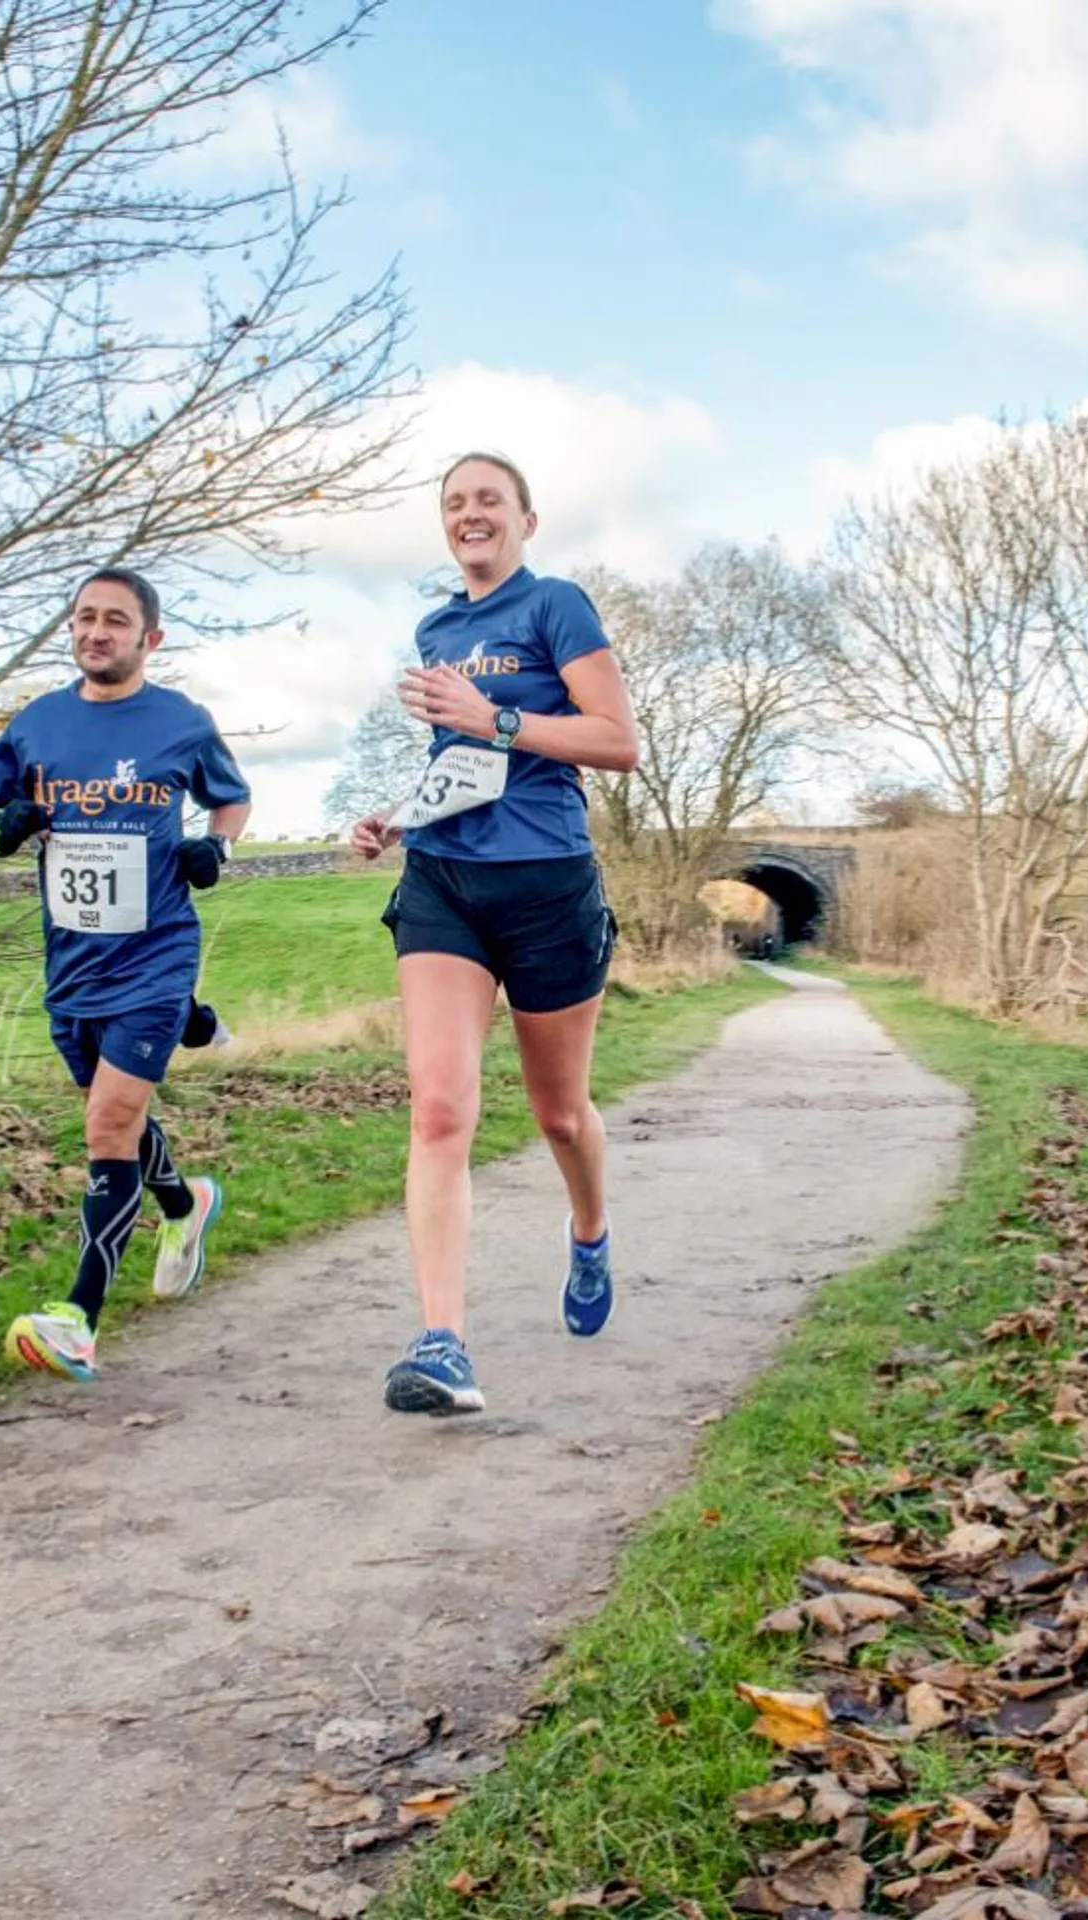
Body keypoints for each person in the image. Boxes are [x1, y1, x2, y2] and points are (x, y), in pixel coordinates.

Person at [350, 453, 640, 1415]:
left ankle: (590, 1228)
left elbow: (617, 743)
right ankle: (443, 1344)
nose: (470, 514)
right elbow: (458, 765)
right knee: (438, 1110)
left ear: (525, 518)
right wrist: (396, 817)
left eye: (488, 500)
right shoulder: (437, 626)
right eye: (454, 504)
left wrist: (501, 716)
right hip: (444, 883)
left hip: (548, 884)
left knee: (558, 1113)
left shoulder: (556, 605)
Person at [0, 566, 251, 1381]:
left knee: (105, 1127)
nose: (97, 631)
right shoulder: (37, 724)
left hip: (157, 957)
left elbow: (231, 802)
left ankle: (78, 1320)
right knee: (112, 1118)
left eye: (116, 620)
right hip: (72, 963)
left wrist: (214, 847)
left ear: (148, 639)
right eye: (85, 618)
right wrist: (0, 830)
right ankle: (181, 1202)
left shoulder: (180, 723)